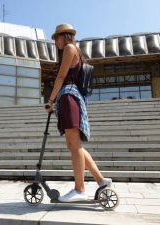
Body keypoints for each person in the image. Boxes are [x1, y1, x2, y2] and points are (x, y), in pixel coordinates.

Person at [45, 24, 112, 202]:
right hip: (70, 98)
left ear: (65, 36)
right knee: (74, 145)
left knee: (74, 146)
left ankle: (79, 188)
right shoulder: (77, 50)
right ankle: (101, 181)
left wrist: (50, 100)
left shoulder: (69, 48)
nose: (55, 41)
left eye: (57, 37)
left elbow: (60, 77)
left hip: (69, 97)